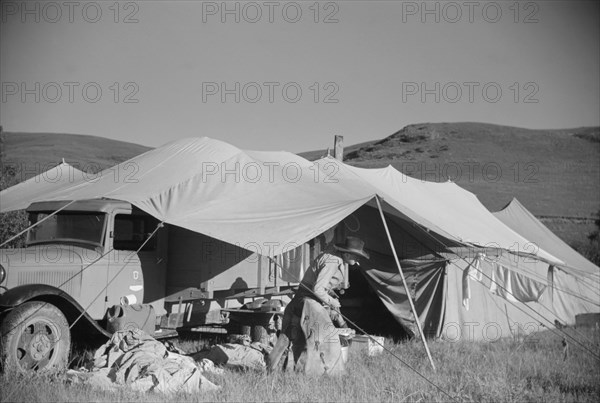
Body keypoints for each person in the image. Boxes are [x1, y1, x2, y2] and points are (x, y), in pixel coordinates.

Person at [267, 236, 369, 375]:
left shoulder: (333, 257)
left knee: (289, 339)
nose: (358, 260)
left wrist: (332, 298)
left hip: (301, 300)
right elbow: (318, 290)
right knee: (327, 338)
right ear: (346, 254)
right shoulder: (333, 262)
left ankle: (276, 372)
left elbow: (320, 286)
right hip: (307, 301)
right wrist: (332, 302)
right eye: (356, 256)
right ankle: (325, 374)